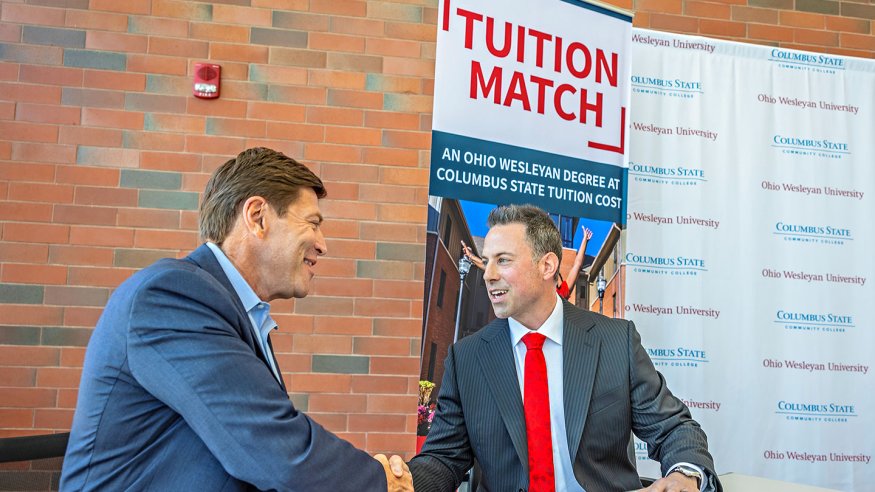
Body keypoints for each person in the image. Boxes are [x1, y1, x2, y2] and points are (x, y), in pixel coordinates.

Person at [61, 148, 412, 492]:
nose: (322, 244)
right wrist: (382, 482)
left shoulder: (231, 308)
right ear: (257, 217)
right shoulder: (172, 296)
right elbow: (276, 453)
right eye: (313, 224)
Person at [410, 204, 721, 492]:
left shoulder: (615, 341)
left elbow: (674, 428)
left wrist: (684, 475)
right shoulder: (467, 359)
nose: (489, 274)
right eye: (487, 261)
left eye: (502, 260)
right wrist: (402, 482)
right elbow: (443, 459)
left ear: (547, 266)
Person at [462, 224, 592, 300]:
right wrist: (472, 258)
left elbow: (577, 264)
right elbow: (496, 270)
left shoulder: (563, 292)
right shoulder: (533, 283)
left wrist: (585, 240)